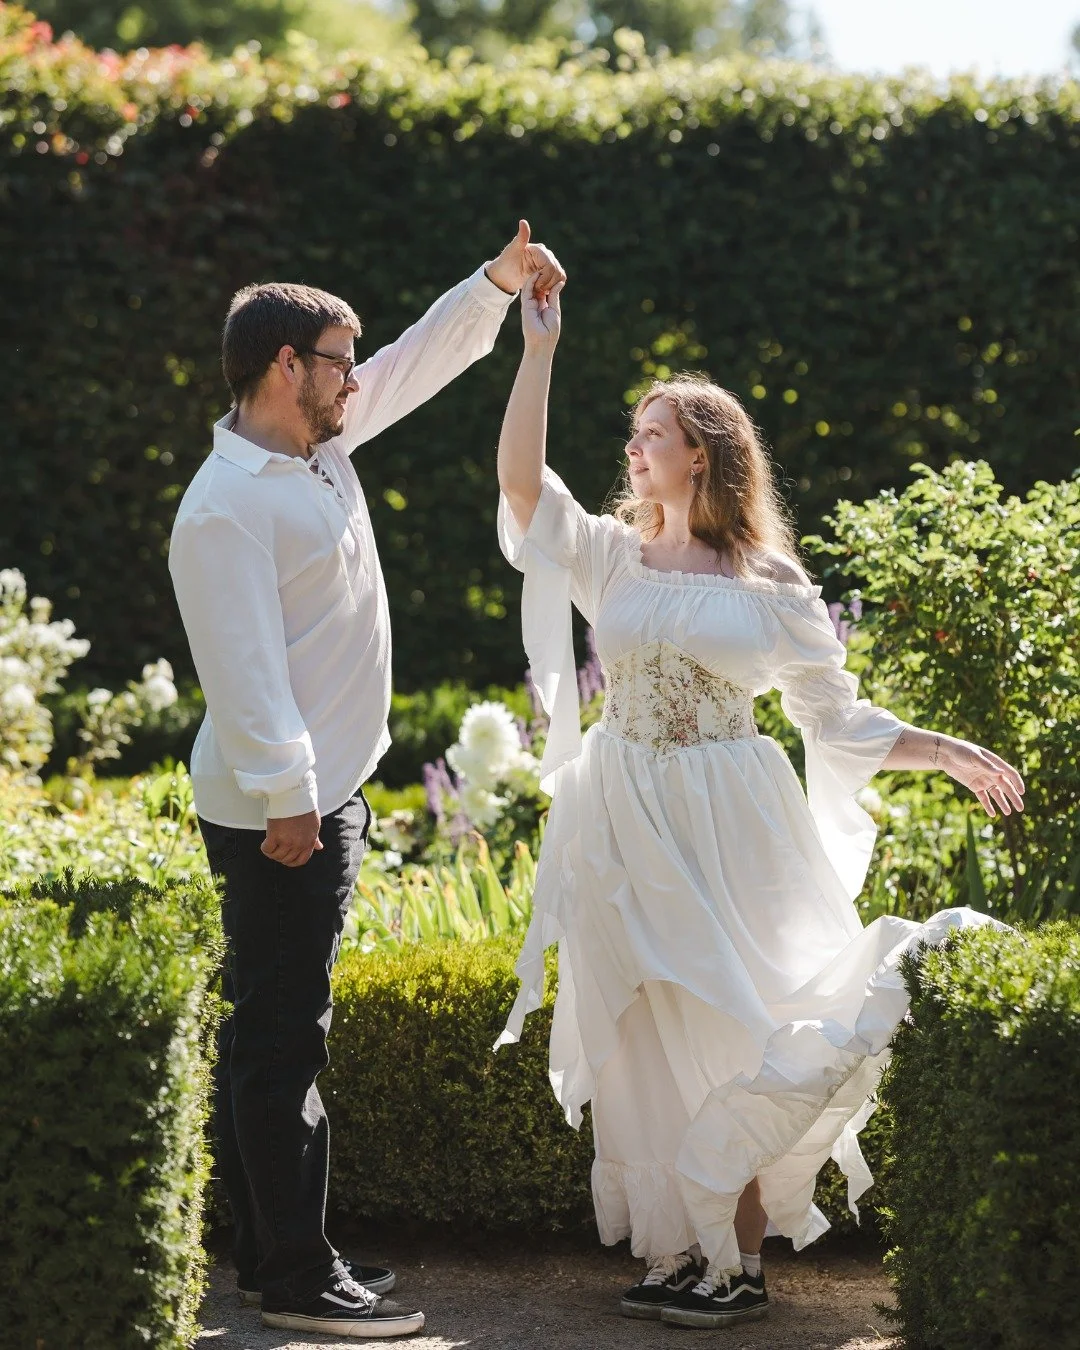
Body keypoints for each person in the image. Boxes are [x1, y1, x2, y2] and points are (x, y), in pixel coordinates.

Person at [494, 274, 1025, 1329]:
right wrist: (538, 353)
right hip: (628, 812)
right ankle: (677, 1247)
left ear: (704, 452)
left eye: (656, 435)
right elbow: (521, 485)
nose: (636, 449)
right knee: (649, 1029)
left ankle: (736, 1259)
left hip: (735, 815)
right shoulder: (612, 556)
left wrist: (941, 747)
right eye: (634, 434)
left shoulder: (770, 582)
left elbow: (837, 716)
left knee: (734, 1026)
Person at [169, 224, 565, 1340]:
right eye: (339, 358)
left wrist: (495, 286)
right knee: (285, 1037)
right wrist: (294, 800)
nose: (357, 374)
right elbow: (242, 671)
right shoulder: (224, 505)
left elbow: (418, 361)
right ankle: (297, 1279)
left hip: (312, 795)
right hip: (276, 810)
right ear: (285, 367)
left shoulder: (318, 449)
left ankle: (270, 1255)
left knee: (271, 1032)